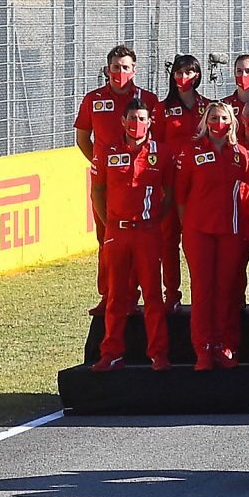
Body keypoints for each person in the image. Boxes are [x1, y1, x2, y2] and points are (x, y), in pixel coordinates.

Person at [94, 103, 172, 368]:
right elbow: (98, 192)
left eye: (141, 118)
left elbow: (169, 194)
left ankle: (158, 353)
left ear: (150, 122)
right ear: (122, 121)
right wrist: (110, 224)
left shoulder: (160, 153)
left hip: (148, 233)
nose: (136, 123)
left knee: (152, 295)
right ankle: (111, 352)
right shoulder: (109, 151)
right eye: (132, 118)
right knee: (116, 296)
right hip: (117, 232)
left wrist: (153, 221)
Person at [175, 101, 249, 368]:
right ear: (205, 122)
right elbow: (181, 196)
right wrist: (189, 226)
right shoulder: (191, 152)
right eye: (214, 118)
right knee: (202, 290)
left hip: (231, 230)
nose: (219, 124)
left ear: (233, 122)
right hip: (199, 233)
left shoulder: (241, 154)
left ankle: (224, 344)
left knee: (227, 290)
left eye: (224, 119)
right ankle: (203, 347)